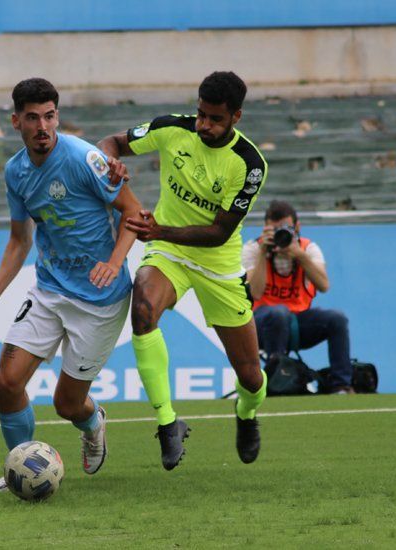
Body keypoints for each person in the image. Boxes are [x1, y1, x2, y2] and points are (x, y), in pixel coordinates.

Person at [0, 78, 142, 491]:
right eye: (33, 118)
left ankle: (92, 422)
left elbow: (133, 212)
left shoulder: (86, 159)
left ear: (57, 117)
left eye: (49, 116)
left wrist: (114, 261)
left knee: (67, 404)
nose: (42, 125)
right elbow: (19, 240)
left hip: (100, 300)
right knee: (7, 382)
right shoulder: (15, 171)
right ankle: (22, 467)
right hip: (49, 289)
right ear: (17, 122)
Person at [97, 71, 268, 470]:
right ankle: (167, 423)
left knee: (252, 377)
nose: (204, 125)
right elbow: (113, 142)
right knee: (142, 312)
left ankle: (245, 414)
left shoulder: (249, 164)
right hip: (169, 250)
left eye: (215, 119)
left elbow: (219, 232)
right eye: (201, 115)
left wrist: (159, 228)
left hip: (218, 264)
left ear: (236, 117)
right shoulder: (172, 129)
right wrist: (110, 163)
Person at [243, 200, 354, 394]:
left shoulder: (308, 248)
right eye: (275, 230)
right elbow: (255, 293)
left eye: (285, 229)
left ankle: (341, 385)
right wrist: (263, 253)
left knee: (337, 319)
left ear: (297, 227)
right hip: (261, 324)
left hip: (298, 322)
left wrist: (300, 256)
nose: (280, 234)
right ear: (266, 229)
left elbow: (324, 285)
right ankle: (277, 381)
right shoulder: (253, 248)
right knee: (278, 313)